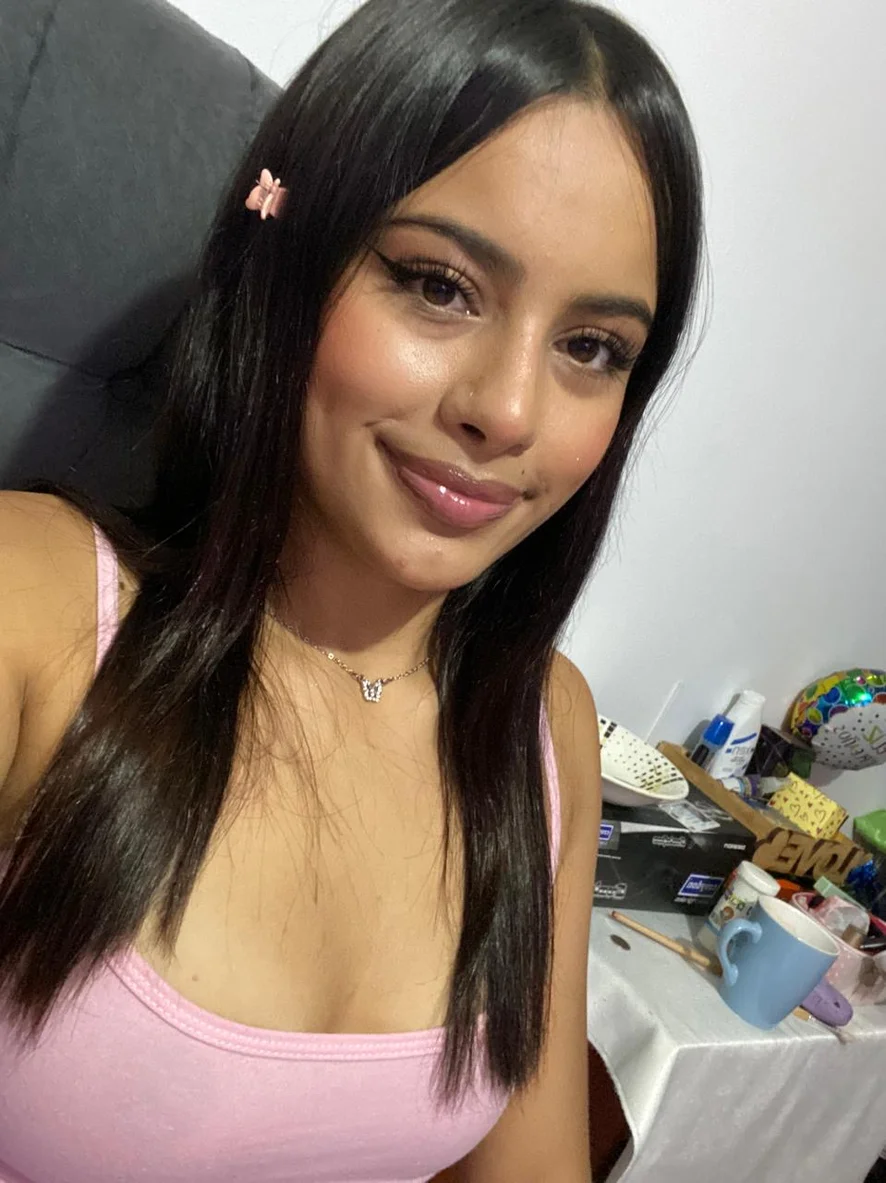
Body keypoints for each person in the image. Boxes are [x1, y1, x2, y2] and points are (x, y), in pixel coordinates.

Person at [0, 0, 702, 1178]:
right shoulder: (35, 609)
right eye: (438, 284)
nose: (508, 410)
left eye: (591, 347)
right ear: (288, 256)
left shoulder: (543, 727)